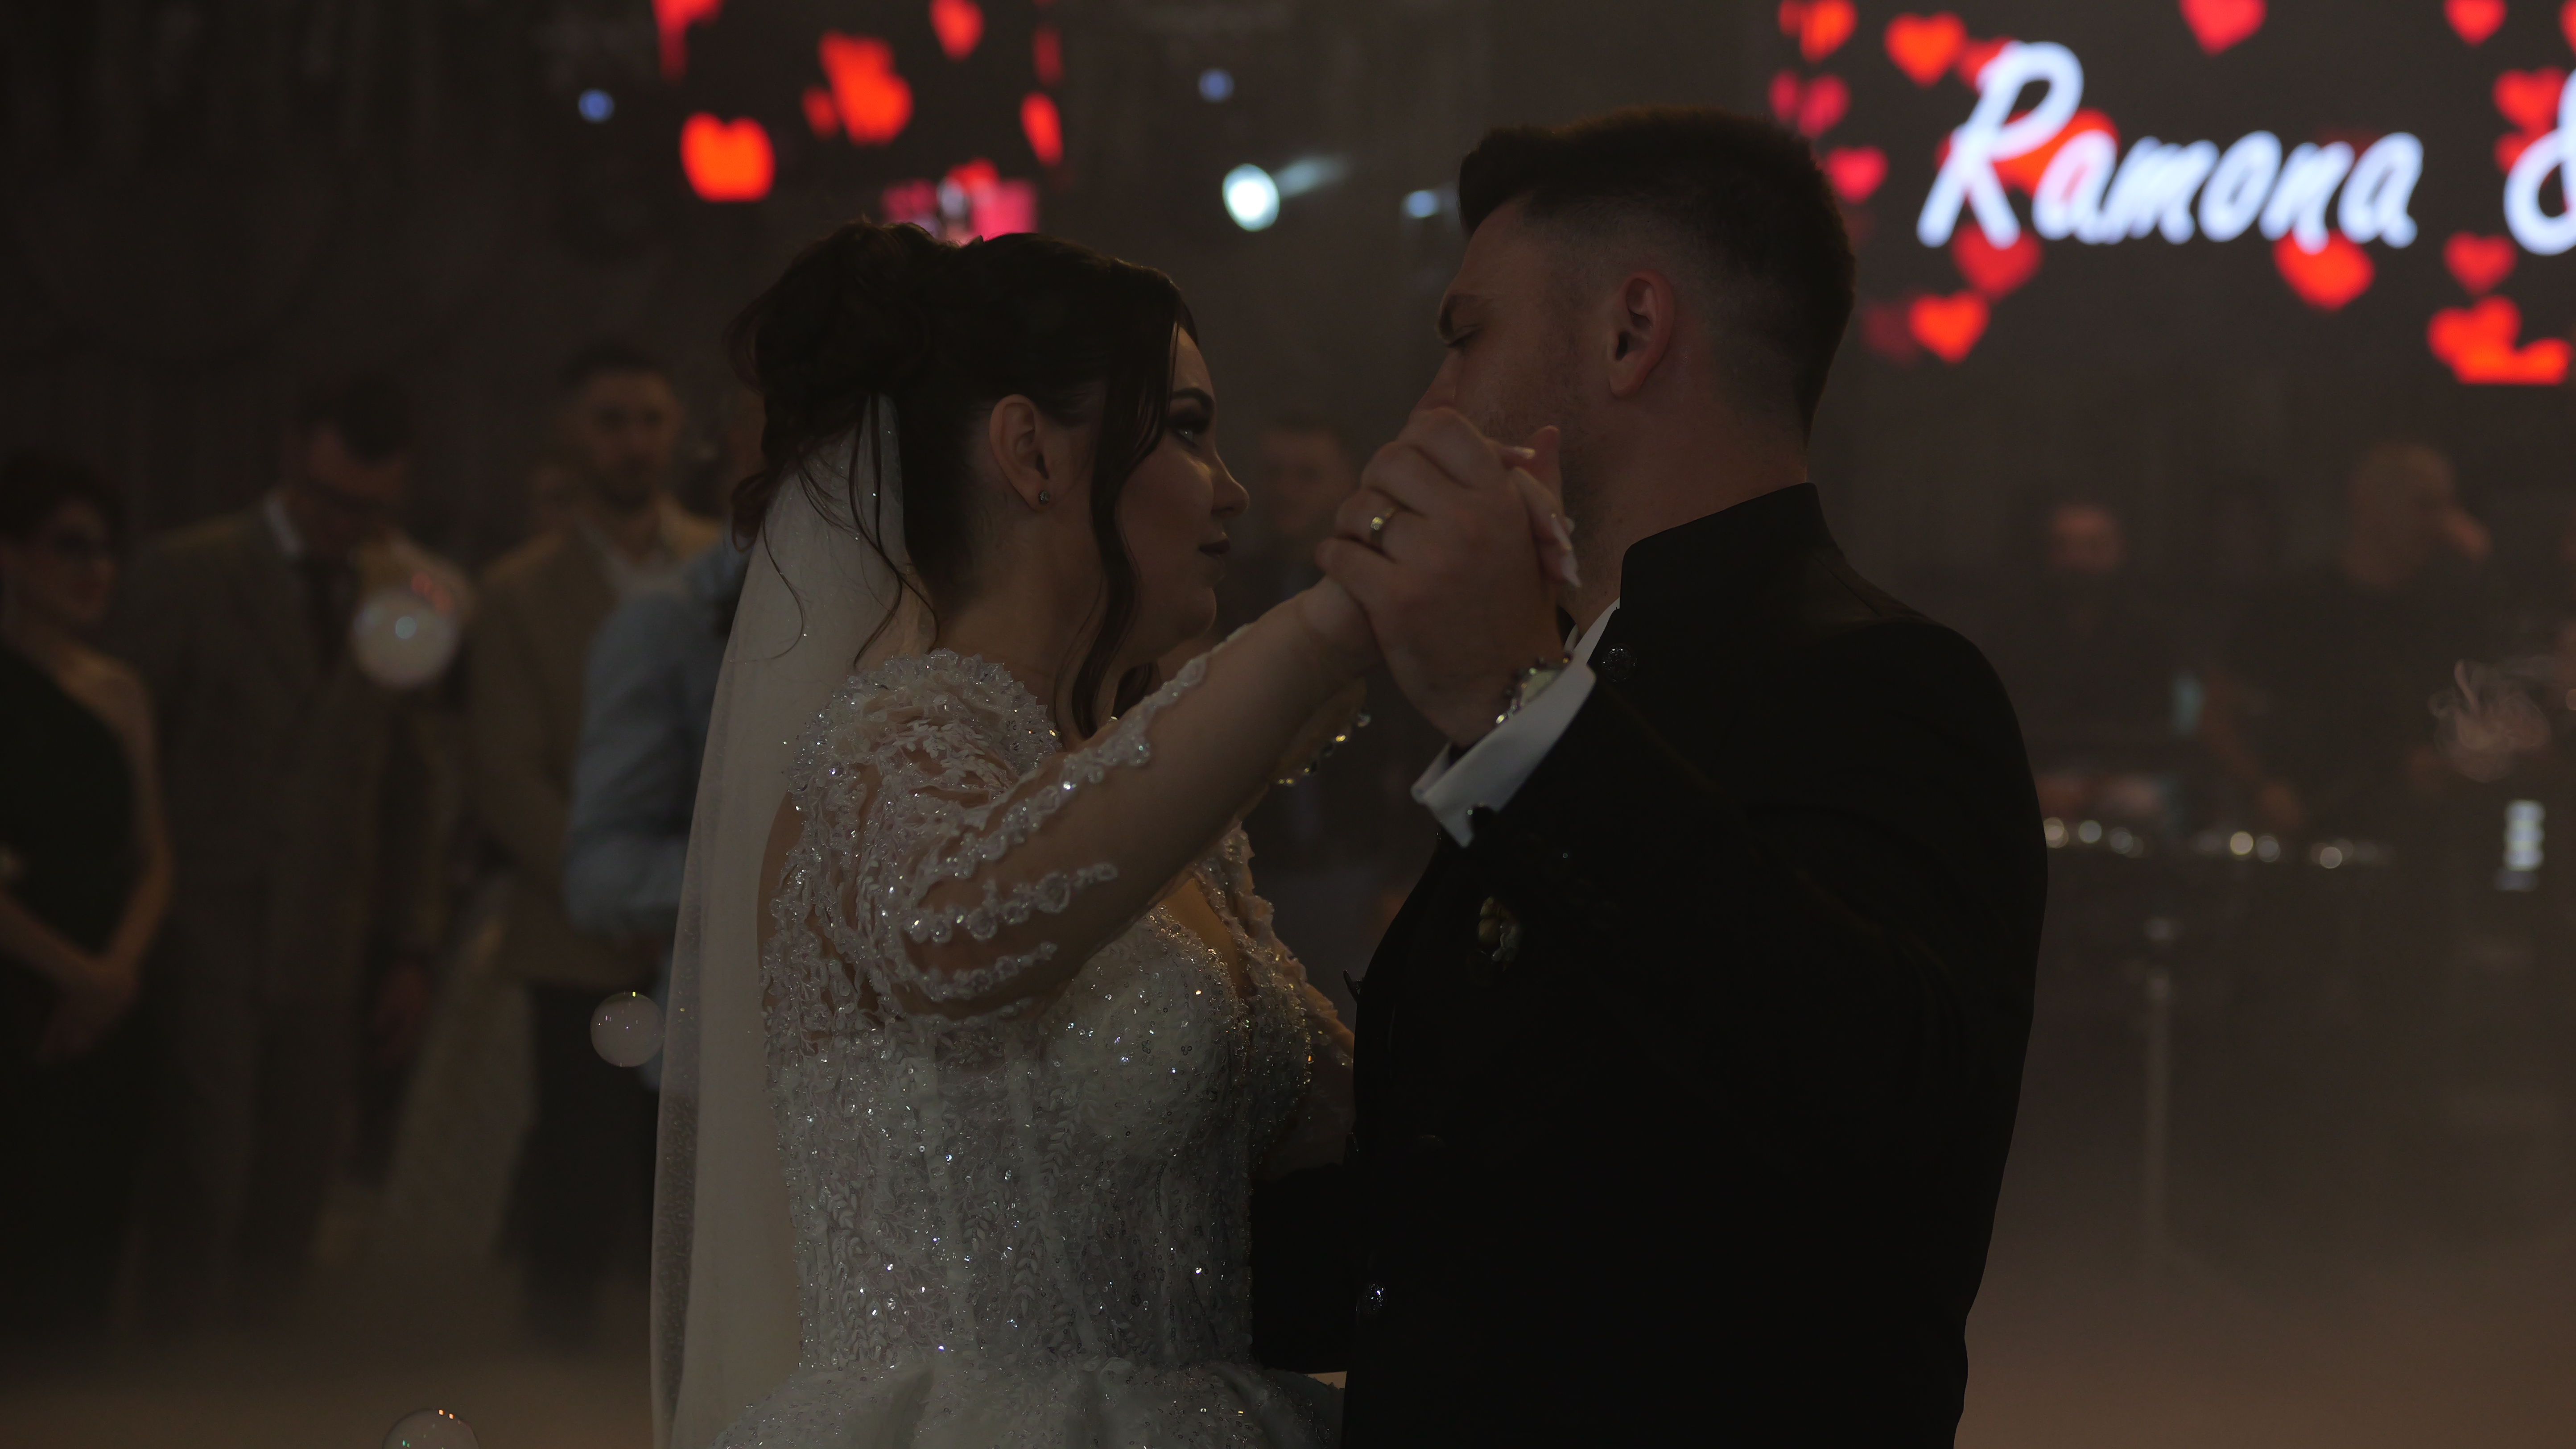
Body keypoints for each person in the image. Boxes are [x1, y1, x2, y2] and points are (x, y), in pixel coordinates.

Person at [653, 222, 1564, 1448]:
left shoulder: (1171, 828)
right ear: (1031, 452)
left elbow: (1386, 1133)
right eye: (1186, 430)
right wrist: (1327, 626)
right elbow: (962, 934)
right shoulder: (883, 749)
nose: (1231, 489)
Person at [1263, 108, 2047, 1444]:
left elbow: (1873, 1104)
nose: (1430, 405)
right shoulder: (1590, 688)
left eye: (1464, 337)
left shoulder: (1883, 678)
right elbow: (1458, 1219)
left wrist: (1517, 708)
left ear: (1631, 331)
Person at [112, 376, 456, 1328]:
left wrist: (412, 945)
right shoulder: (190, 571)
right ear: (292, 454)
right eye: (329, 499)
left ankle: (261, 1380)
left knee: (297, 1184)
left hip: (327, 939)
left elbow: (413, 786)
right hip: (200, 930)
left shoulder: (400, 593)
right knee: (200, 1175)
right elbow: (124, 764)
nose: (345, 523)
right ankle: (171, 1375)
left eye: (370, 508)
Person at [467, 339, 721, 1344]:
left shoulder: (728, 566)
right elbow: (506, 774)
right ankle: (557, 1380)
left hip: (711, 930)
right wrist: (617, 893)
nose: (634, 443)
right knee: (577, 1177)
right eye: (611, 421)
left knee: (701, 1195)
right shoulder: (516, 592)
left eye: (651, 420)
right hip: (581, 942)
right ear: (568, 435)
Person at [0, 454, 173, 1346]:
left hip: (112, 990)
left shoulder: (118, 689)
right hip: (20, 986)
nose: (96, 569)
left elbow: (154, 854)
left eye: (107, 550)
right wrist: (72, 973)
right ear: (12, 554)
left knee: (92, 1225)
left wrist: (114, 972)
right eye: (71, 546)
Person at [1219, 417, 1439, 1013]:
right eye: (1274, 473)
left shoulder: (1382, 596)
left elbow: (1423, 740)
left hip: (1356, 873)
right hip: (1256, 876)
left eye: (1307, 475)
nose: (1286, 490)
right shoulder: (1228, 594)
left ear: (1347, 484)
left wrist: (1406, 875)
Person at [1982, 499, 2181, 825]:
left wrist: (2092, 787)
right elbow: (1991, 723)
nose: (2079, 560)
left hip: (2118, 777)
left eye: (2094, 547)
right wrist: (2037, 783)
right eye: (2065, 546)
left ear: (2120, 551)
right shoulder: (2012, 630)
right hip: (2033, 771)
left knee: (2141, 804)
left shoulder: (2148, 633)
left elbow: (2156, 728)